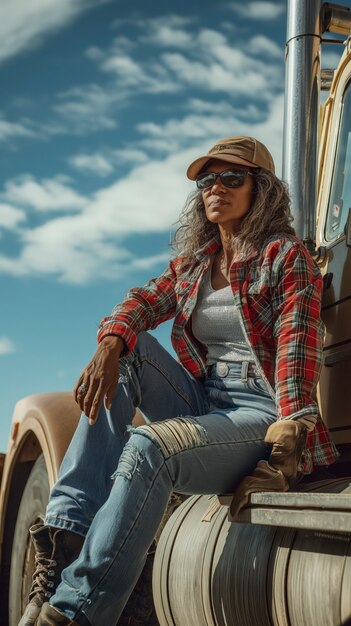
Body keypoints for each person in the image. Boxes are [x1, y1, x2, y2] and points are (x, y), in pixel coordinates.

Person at [19, 136, 339, 626]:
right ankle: (68, 537)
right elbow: (142, 299)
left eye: (233, 177)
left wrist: (288, 438)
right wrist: (111, 342)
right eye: (208, 180)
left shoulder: (284, 256)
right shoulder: (195, 266)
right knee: (127, 355)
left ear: (263, 189)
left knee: (150, 448)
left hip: (259, 410)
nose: (217, 187)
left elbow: (297, 347)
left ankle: (74, 613)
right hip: (207, 400)